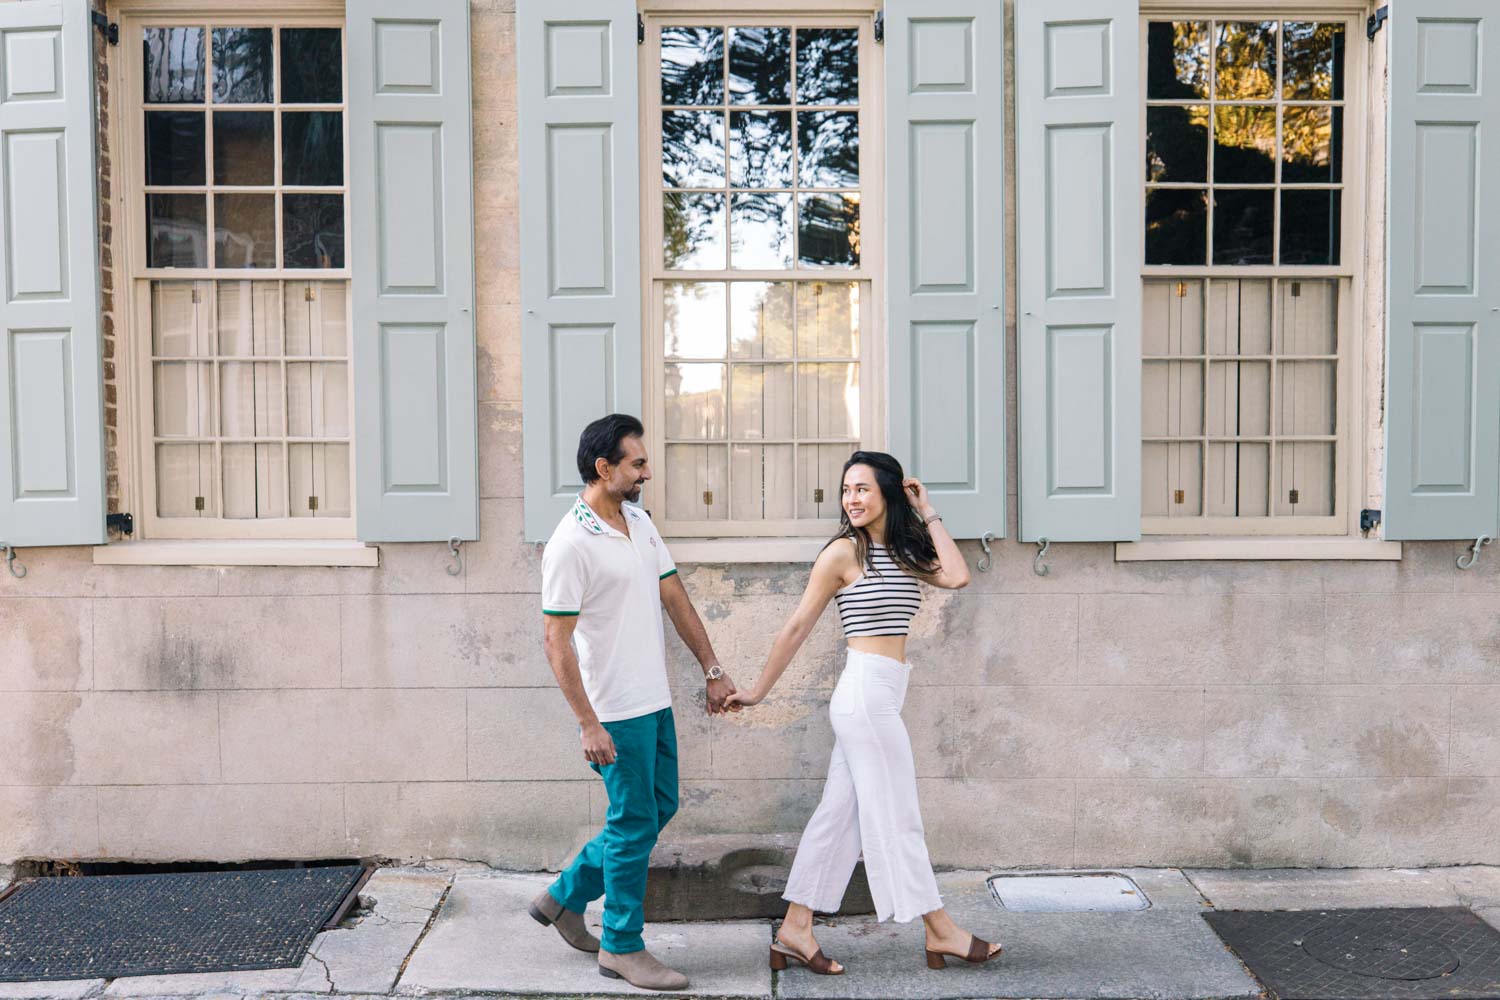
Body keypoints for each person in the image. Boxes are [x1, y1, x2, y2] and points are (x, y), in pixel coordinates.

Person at [726, 451, 1003, 975]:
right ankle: (940, 930)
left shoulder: (903, 549)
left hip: (883, 693)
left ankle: (795, 929)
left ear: (889, 495)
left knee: (838, 817)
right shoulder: (841, 554)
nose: (851, 498)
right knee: (899, 815)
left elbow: (958, 575)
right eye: (846, 489)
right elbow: (796, 627)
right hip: (863, 696)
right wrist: (760, 691)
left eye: (863, 489)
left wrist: (928, 511)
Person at [529, 413, 740, 991]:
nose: (648, 471)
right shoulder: (570, 542)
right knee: (631, 823)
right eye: (638, 462)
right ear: (605, 468)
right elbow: (556, 640)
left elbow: (674, 596)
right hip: (615, 710)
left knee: (657, 807)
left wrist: (712, 668)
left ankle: (564, 895)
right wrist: (587, 723)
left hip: (655, 699)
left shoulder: (640, 522)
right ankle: (621, 945)